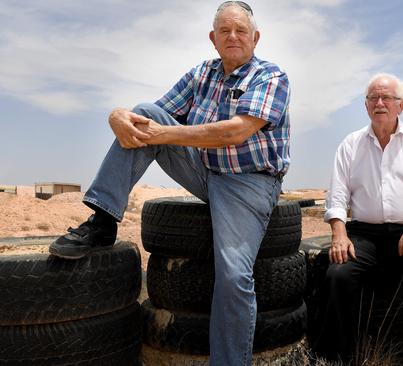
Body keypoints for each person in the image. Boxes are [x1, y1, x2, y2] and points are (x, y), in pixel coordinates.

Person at [49, 2, 290, 365]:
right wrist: (117, 115)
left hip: (248, 183)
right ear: (213, 39)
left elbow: (235, 132)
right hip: (205, 169)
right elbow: (147, 120)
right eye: (225, 30)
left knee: (234, 277)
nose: (233, 37)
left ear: (256, 38)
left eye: (241, 30)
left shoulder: (270, 77)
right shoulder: (202, 74)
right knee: (144, 114)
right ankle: (101, 221)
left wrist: (163, 133)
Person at [315, 73, 403, 365]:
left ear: (400, 105)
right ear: (366, 106)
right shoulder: (350, 145)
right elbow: (337, 196)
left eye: (386, 98)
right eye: (372, 98)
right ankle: (334, 360)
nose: (379, 103)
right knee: (337, 276)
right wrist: (339, 233)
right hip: (365, 235)